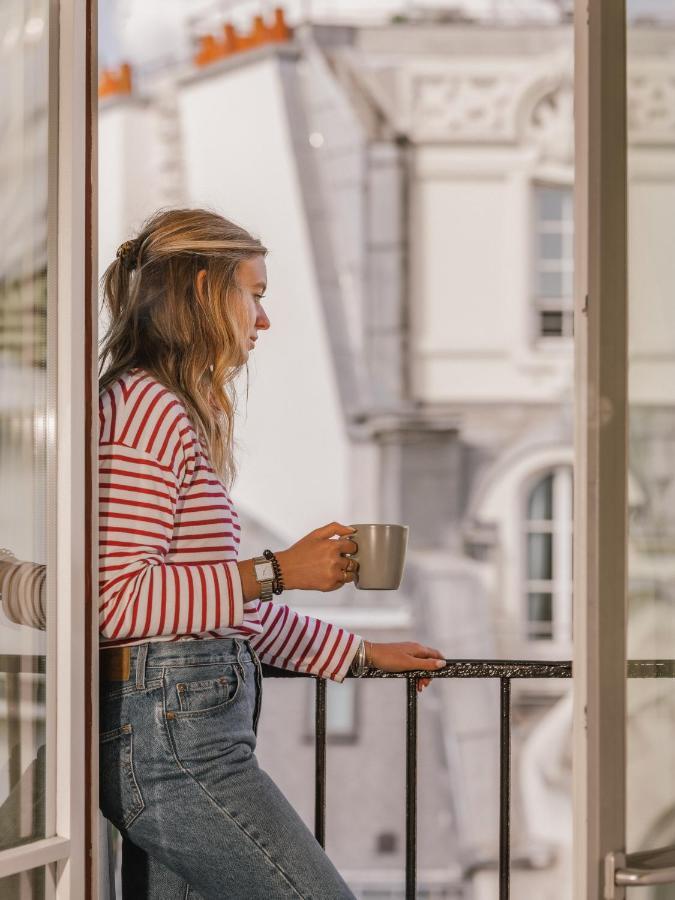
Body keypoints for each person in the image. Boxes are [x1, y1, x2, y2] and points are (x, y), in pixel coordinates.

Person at [97, 207, 446, 899]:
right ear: (202, 290)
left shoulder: (167, 408)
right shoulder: (144, 409)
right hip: (171, 743)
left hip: (181, 727)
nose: (264, 320)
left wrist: (352, 652)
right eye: (253, 294)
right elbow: (115, 602)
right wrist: (277, 571)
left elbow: (209, 611)